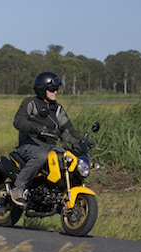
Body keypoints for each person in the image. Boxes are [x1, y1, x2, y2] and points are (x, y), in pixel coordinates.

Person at [10, 71, 94, 206]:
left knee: (69, 160)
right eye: (52, 89)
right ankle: (18, 188)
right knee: (42, 156)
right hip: (29, 145)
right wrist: (37, 128)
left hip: (50, 147)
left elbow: (68, 130)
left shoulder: (57, 109)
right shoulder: (30, 103)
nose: (56, 92)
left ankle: (58, 194)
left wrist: (82, 141)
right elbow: (18, 122)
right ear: (43, 90)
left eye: (56, 89)